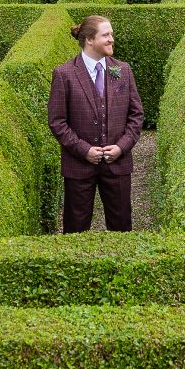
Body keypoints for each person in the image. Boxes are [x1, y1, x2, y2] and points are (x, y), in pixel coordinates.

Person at [47, 15, 144, 232]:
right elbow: (57, 121)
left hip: (117, 165)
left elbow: (136, 115)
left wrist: (121, 147)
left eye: (112, 34)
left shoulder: (123, 70)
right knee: (75, 229)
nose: (112, 39)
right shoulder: (64, 74)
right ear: (90, 40)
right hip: (79, 166)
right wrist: (84, 150)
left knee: (122, 229)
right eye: (106, 35)